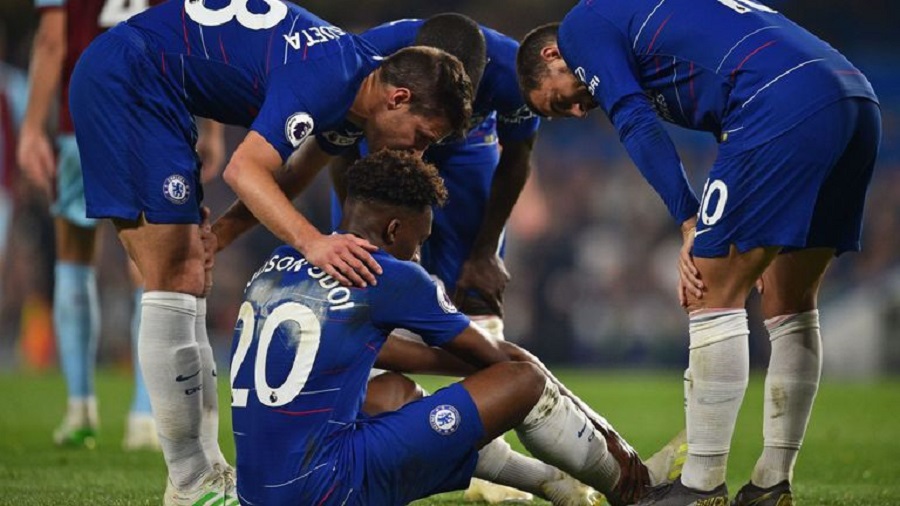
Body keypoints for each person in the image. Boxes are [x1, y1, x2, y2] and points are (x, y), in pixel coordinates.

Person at [68, 0, 473, 504]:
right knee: (174, 276)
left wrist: (222, 235)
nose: (416, 153)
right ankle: (190, 480)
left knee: (189, 274)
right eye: (421, 137)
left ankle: (204, 472)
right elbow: (245, 169)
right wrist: (313, 242)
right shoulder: (331, 77)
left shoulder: (355, 94)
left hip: (155, 85)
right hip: (130, 76)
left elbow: (290, 174)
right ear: (398, 98)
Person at [515, 1, 881, 505]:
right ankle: (772, 482)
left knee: (708, 287)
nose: (578, 112)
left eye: (558, 103)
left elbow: (634, 120)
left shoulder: (582, 25)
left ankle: (700, 485)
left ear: (553, 55)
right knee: (790, 303)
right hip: (853, 98)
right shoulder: (647, 22)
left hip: (779, 98)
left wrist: (690, 221)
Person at [228, 149, 658, 506]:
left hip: (258, 493)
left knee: (392, 392)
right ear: (393, 229)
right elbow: (501, 361)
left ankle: (547, 481)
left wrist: (456, 364)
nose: (419, 254)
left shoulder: (283, 261)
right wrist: (603, 432)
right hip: (327, 488)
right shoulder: (387, 273)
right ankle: (630, 490)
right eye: (419, 240)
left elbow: (360, 350)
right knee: (523, 380)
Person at [327, 13, 540, 503]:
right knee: (358, 274)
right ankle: (349, 418)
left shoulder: (511, 70)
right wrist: (356, 223)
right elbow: (338, 149)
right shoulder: (370, 57)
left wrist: (485, 251)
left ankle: (490, 460)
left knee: (476, 289)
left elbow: (518, 156)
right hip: (383, 144)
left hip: (469, 150)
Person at [16, 0, 225, 450]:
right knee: (152, 267)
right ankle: (144, 415)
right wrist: (211, 129)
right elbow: (197, 36)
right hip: (158, 123)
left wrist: (31, 127)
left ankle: (80, 408)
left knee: (73, 255)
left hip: (83, 120)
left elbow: (51, 41)